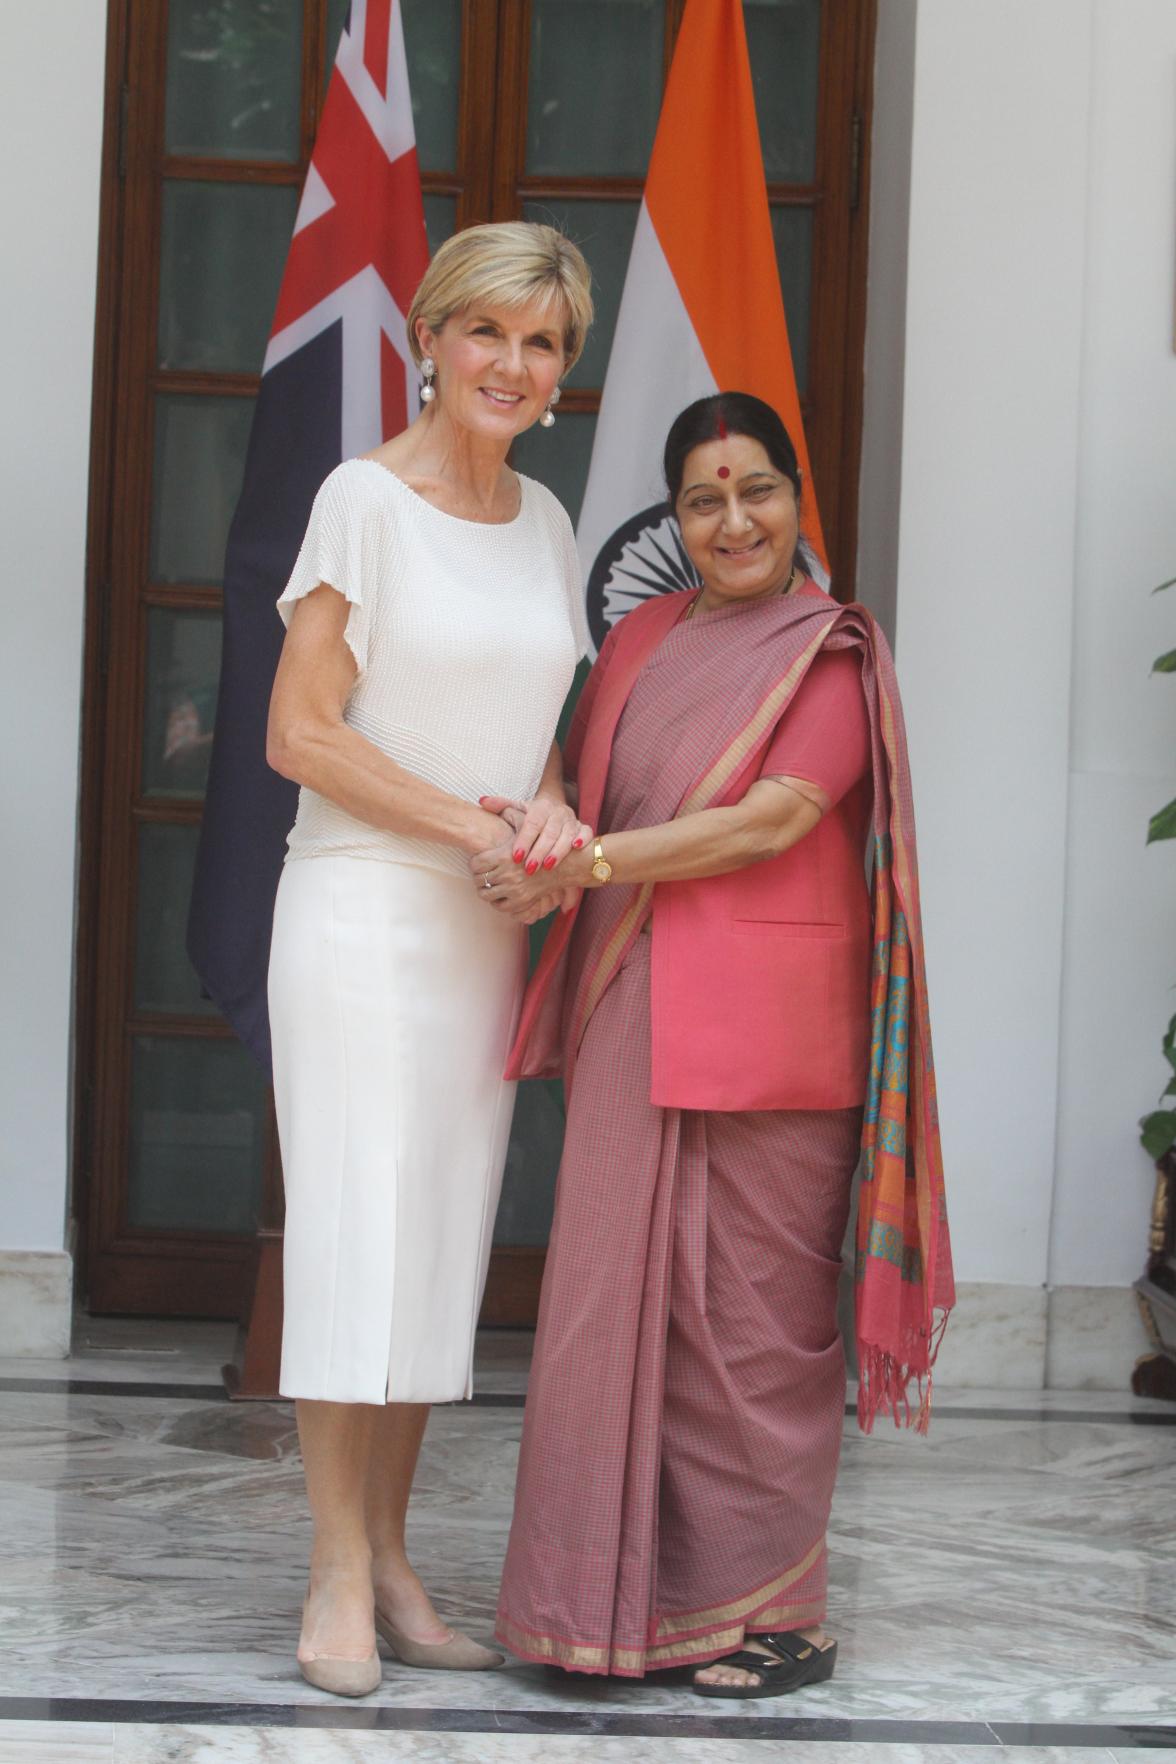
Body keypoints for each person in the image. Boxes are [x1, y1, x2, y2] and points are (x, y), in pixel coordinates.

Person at [479, 392, 954, 1698]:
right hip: (632, 1002)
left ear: (799, 498)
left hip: (771, 1036)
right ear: (675, 518)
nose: (733, 520)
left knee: (752, 1329)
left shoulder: (831, 654)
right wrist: (555, 821)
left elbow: (769, 819)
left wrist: (590, 862)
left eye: (755, 491)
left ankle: (777, 1614)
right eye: (703, 498)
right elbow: (576, 769)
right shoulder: (637, 639)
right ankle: (610, 1607)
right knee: (609, 1314)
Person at [265, 222, 594, 1697]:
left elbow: (551, 742)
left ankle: (394, 1556)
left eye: (541, 345)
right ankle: (334, 1571)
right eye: (487, 333)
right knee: (354, 1236)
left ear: (562, 373)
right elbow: (302, 735)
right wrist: (480, 825)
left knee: (436, 1252)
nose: (510, 367)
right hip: (359, 911)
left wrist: (548, 818)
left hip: (483, 927)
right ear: (431, 336)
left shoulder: (547, 523)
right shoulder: (362, 502)